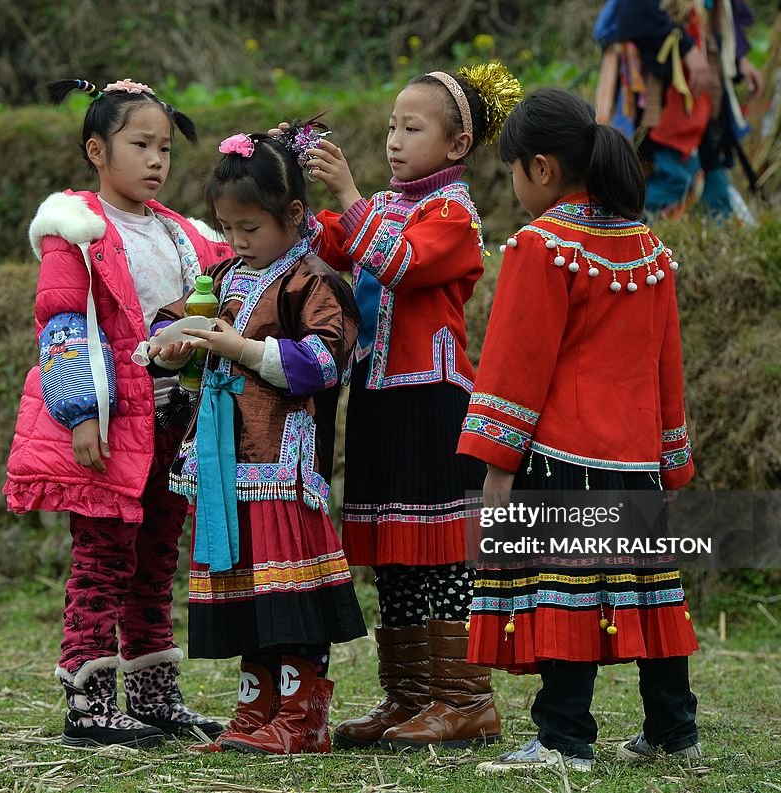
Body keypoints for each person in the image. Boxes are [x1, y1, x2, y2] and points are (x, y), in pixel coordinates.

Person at [458, 88, 700, 774]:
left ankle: (564, 739)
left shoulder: (543, 246)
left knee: (566, 592)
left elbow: (513, 366)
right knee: (649, 591)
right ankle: (674, 732)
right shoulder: (646, 245)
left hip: (562, 457)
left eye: (511, 169)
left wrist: (496, 473)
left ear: (540, 168)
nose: (512, 182)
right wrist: (671, 464)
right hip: (635, 459)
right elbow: (666, 365)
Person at [301, 62, 522, 751]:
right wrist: (288, 184)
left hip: (433, 400)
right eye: (391, 126)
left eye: (412, 127)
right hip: (376, 395)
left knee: (442, 553)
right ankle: (407, 695)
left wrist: (346, 190)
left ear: (456, 146)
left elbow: (395, 262)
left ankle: (464, 699)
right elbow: (331, 241)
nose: (395, 140)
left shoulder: (453, 217)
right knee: (392, 551)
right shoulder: (390, 207)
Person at [3, 77, 231, 748]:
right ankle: (88, 696)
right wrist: (79, 412)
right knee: (104, 557)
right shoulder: (77, 230)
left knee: (157, 558)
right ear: (97, 150)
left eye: (165, 147)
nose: (157, 160)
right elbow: (63, 324)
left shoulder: (186, 234)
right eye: (141, 145)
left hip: (175, 421)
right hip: (111, 423)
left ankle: (153, 693)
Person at [152, 124, 367, 755]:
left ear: (294, 215)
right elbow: (169, 325)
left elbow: (323, 360)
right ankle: (257, 707)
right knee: (246, 583)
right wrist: (168, 347)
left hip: (281, 460)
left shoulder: (313, 282)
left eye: (251, 229)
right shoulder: (222, 273)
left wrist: (238, 347)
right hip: (224, 460)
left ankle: (303, 715)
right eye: (228, 228)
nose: (237, 242)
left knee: (287, 586)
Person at [596, 0, 763, 219]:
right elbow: (635, 12)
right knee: (675, 180)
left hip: (701, 93)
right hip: (665, 92)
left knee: (714, 179)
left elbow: (715, 13)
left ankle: (720, 228)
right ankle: (616, 230)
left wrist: (736, 58)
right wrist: (686, 47)